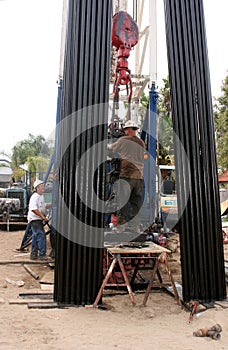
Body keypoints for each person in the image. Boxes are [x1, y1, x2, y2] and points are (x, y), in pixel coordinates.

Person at [108, 120, 145, 233]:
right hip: (139, 177)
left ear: (128, 130)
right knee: (136, 204)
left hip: (127, 175)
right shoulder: (141, 142)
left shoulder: (123, 140)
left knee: (123, 202)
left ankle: (120, 227)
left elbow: (110, 150)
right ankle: (134, 228)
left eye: (125, 130)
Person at [27, 179, 49, 260]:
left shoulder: (41, 196)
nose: (43, 188)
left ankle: (33, 254)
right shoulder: (34, 197)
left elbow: (43, 206)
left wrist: (52, 204)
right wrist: (42, 217)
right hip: (35, 219)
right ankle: (42, 255)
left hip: (38, 219)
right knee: (41, 235)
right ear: (37, 188)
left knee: (36, 236)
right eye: (41, 186)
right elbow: (34, 209)